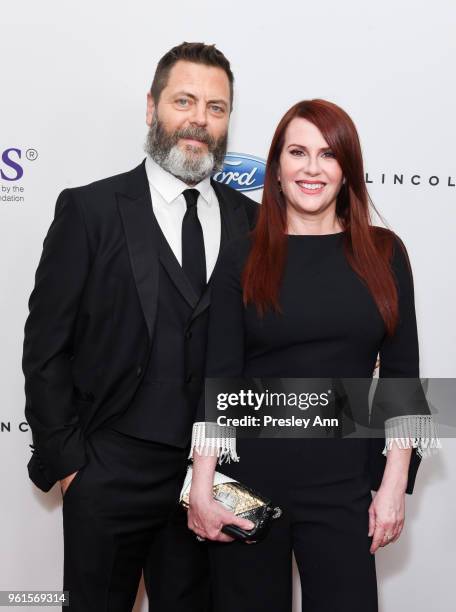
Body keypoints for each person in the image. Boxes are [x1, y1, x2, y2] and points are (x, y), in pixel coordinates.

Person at [22, 42, 258, 611]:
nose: (199, 119)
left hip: (209, 477)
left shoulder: (252, 222)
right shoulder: (90, 210)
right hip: (108, 470)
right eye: (184, 100)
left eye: (216, 107)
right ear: (152, 108)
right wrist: (72, 466)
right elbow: (45, 348)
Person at [187, 99, 440, 612]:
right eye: (297, 152)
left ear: (346, 170)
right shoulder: (243, 255)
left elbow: (400, 378)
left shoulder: (385, 253)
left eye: (328, 154)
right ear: (277, 167)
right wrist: (202, 485)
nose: (312, 167)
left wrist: (394, 487)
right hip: (250, 482)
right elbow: (221, 376)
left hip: (345, 482)